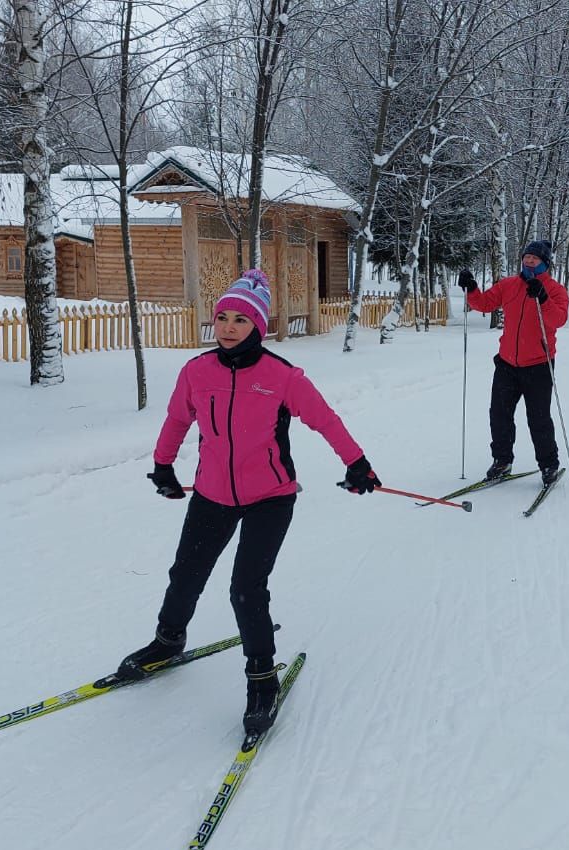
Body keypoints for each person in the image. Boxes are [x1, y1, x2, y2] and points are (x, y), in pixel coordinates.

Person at [120, 269, 382, 739]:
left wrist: (357, 463)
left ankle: (262, 678)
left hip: (270, 498)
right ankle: (167, 641)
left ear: (258, 326)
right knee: (186, 573)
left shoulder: (282, 377)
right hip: (212, 494)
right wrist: (163, 466)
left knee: (245, 587)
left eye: (240, 319)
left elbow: (325, 421)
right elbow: (178, 419)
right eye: (222, 317)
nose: (227, 327)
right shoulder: (196, 371)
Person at [457, 240, 569, 487]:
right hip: (507, 364)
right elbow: (484, 303)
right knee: (499, 415)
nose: (529, 261)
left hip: (539, 365)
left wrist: (543, 299)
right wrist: (472, 288)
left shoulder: (555, 290)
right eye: (527, 257)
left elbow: (558, 320)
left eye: (535, 258)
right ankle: (502, 461)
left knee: (538, 419)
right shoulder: (509, 285)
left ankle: (549, 465)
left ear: (545, 262)